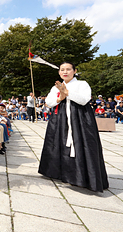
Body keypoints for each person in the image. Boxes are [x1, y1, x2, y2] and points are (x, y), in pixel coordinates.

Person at [38, 62, 108, 192]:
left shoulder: (82, 84)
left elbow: (84, 99)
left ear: (74, 71)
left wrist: (67, 92)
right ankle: (60, 173)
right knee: (59, 144)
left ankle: (82, 178)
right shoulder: (56, 87)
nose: (65, 72)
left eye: (68, 69)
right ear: (59, 72)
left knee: (82, 145)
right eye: (62, 70)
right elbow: (49, 102)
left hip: (79, 119)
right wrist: (60, 97)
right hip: (60, 119)